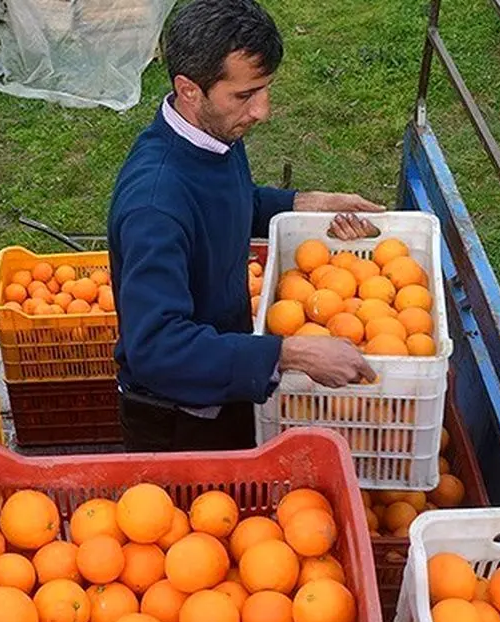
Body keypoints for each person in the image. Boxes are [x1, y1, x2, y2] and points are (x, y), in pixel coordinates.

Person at [108, 0, 383, 453]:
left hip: (225, 370)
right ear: (189, 90)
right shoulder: (155, 206)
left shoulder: (213, 136)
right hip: (180, 417)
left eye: (265, 89)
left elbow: (229, 200)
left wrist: (303, 204)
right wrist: (290, 353)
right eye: (245, 95)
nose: (262, 111)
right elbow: (157, 349)